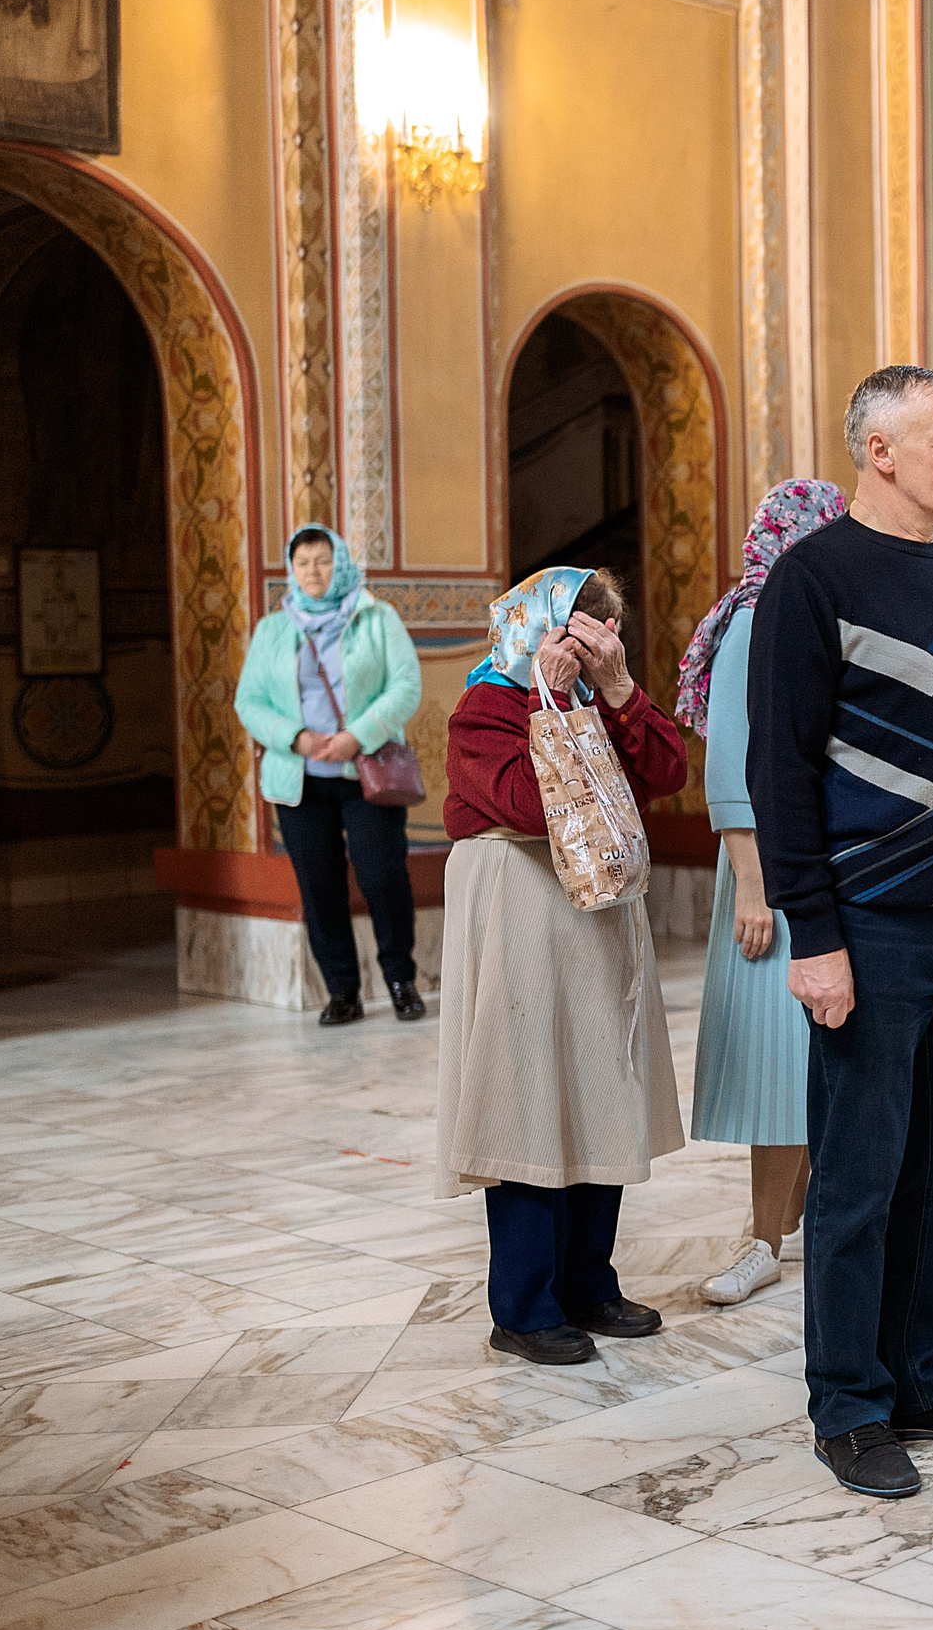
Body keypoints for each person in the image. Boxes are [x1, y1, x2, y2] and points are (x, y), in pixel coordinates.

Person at [748, 364, 933, 1501]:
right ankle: (849, 1402)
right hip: (870, 923)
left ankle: (918, 1369)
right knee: (862, 1175)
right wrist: (812, 933)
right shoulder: (811, 581)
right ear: (879, 451)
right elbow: (781, 767)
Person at [437, 567, 686, 1365]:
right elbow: (521, 803)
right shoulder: (488, 703)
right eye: (579, 630)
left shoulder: (599, 700)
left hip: (598, 910)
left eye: (605, 633)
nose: (593, 646)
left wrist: (619, 696)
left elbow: (669, 773)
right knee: (528, 1096)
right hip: (518, 898)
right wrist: (551, 703)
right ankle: (523, 1305)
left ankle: (589, 1281)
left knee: (597, 1088)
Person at [674, 479, 848, 1306]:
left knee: (815, 1056)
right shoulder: (756, 614)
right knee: (776, 1067)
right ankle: (761, 1236)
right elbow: (732, 756)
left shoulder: (811, 607)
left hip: (812, 863)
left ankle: (798, 1220)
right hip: (767, 875)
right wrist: (753, 887)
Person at [233, 524, 424, 1026]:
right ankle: (342, 990)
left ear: (339, 563)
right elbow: (248, 700)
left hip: (366, 772)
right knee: (318, 885)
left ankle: (401, 979)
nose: (314, 572)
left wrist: (355, 736)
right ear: (291, 571)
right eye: (303, 563)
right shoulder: (273, 630)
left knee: (382, 877)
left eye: (323, 561)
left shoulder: (377, 617)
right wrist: (294, 735)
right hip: (299, 780)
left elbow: (405, 685)